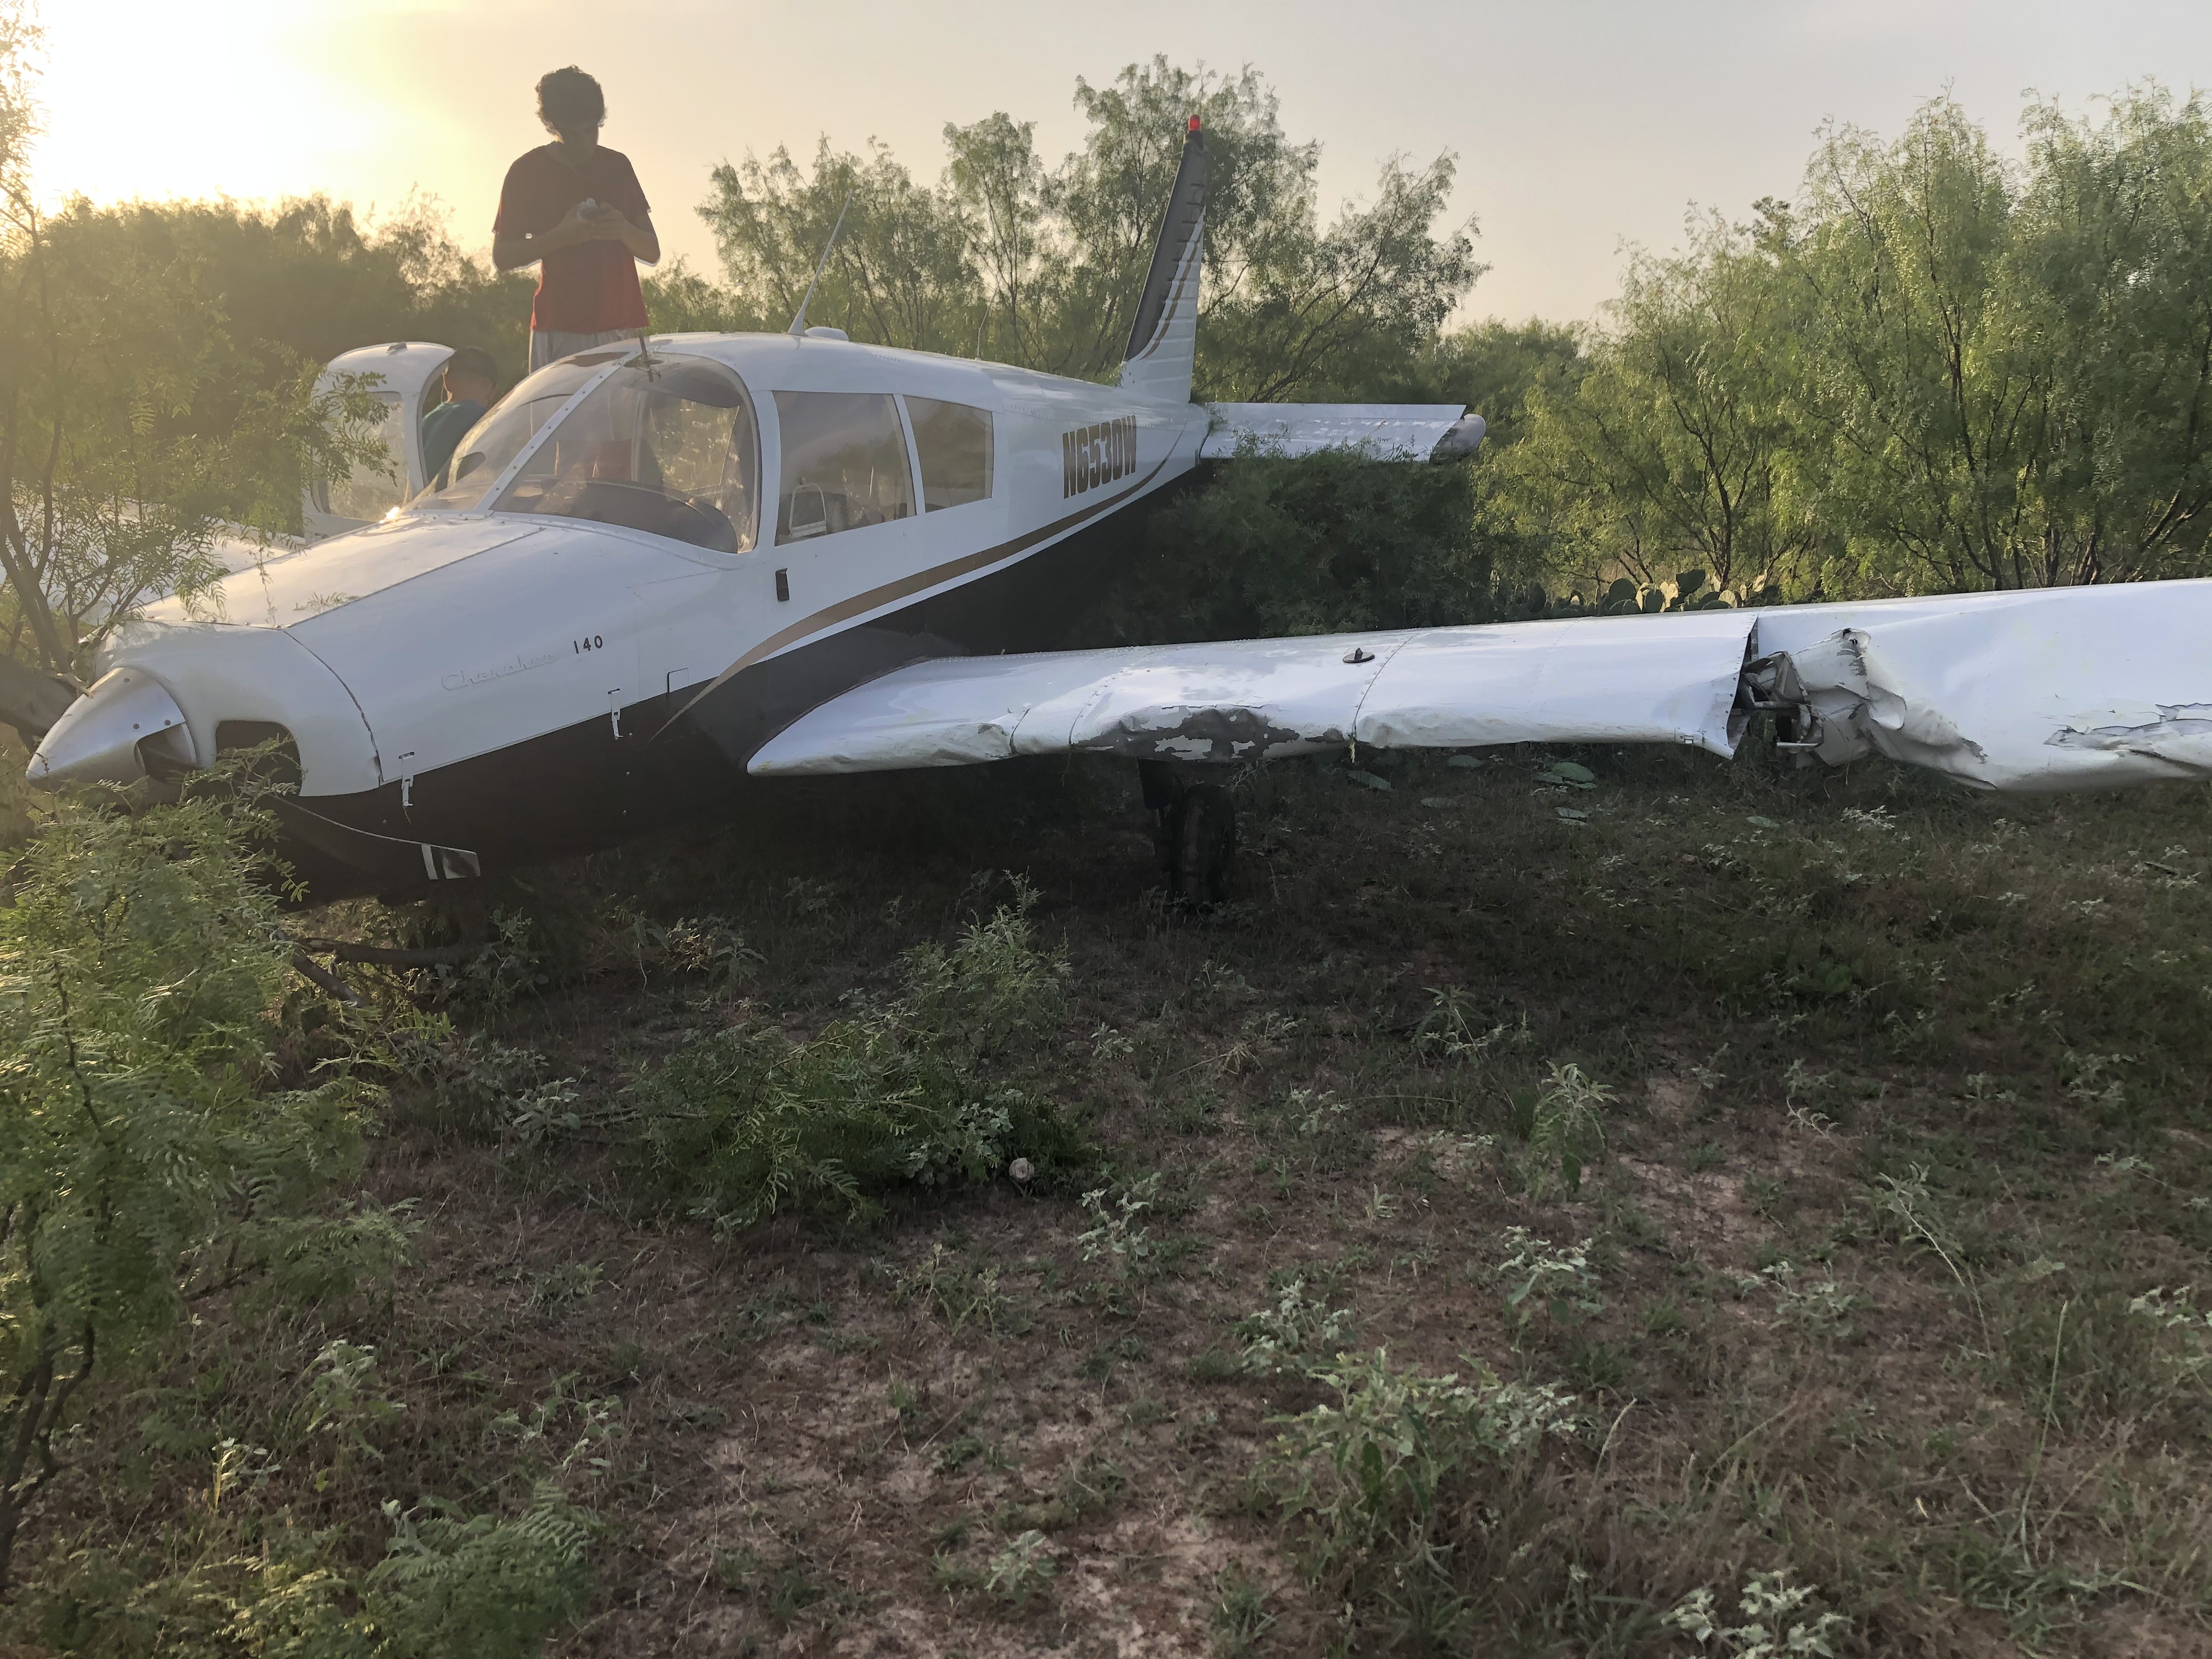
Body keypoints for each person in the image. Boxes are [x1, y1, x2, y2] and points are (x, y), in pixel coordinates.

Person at [492, 66, 659, 373]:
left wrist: (622, 228)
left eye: (591, 129)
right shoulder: (526, 172)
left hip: (622, 326)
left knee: (621, 423)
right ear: (551, 124)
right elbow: (503, 257)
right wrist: (562, 236)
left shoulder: (618, 166)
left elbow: (652, 251)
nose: (584, 142)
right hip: (560, 328)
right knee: (560, 420)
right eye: (573, 133)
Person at [418, 346, 498, 487]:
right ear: (492, 390)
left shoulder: (427, 421)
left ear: (447, 383)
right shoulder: (479, 418)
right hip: (447, 505)